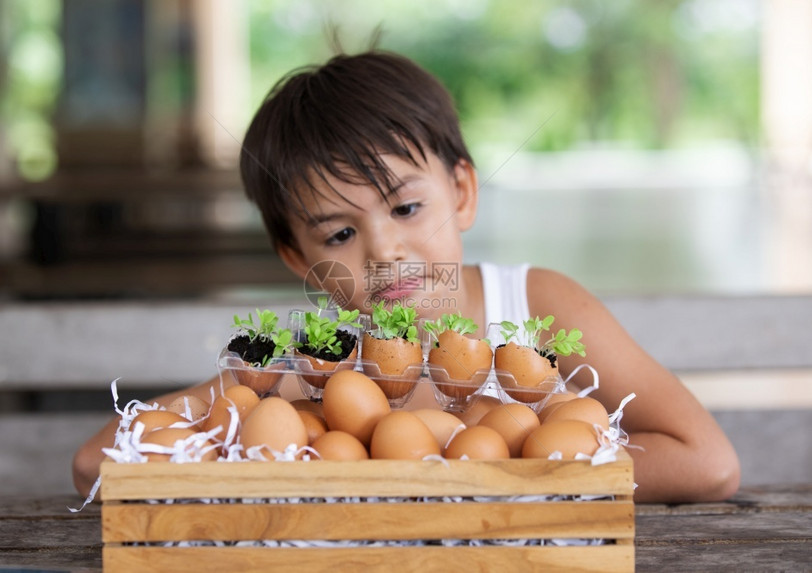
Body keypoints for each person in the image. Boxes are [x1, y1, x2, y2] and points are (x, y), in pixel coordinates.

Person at [73, 49, 740, 503]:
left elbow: (708, 461)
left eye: (406, 207)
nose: (386, 251)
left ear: (463, 194)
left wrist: (502, 478)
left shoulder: (537, 302)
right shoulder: (321, 371)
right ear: (299, 259)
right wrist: (253, 413)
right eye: (339, 233)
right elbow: (93, 462)